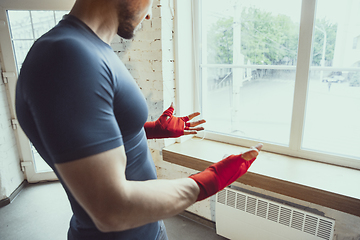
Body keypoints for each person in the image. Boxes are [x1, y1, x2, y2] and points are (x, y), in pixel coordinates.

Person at [15, 0, 263, 239]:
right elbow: (111, 209)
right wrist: (211, 180)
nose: (149, 15)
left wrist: (154, 129)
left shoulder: (92, 48)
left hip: (146, 227)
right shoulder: (65, 56)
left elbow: (103, 134)